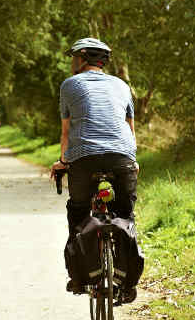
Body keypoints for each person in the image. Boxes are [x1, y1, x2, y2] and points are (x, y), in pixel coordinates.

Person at [48, 37, 139, 298]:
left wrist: (63, 162)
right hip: (123, 157)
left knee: (78, 211)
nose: (71, 62)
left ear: (82, 58)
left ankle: (77, 277)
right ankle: (127, 281)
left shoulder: (69, 85)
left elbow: (67, 132)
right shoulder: (122, 85)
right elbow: (130, 130)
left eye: (73, 57)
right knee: (125, 213)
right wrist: (133, 161)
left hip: (84, 159)